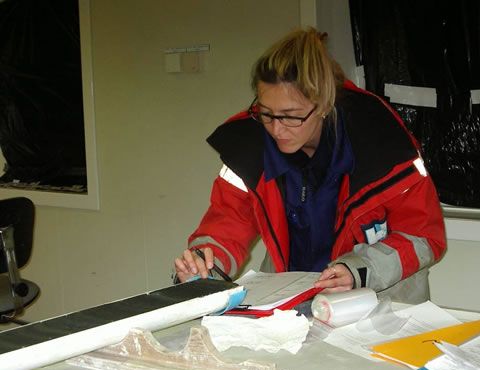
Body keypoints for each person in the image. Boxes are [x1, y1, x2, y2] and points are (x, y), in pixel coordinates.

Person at [174, 27, 446, 303]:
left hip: (381, 303)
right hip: (293, 298)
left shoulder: (382, 140)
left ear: (324, 105)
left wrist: (359, 270)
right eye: (266, 114)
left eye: (291, 117)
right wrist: (206, 261)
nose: (277, 129)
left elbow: (424, 237)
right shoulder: (251, 147)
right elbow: (228, 221)